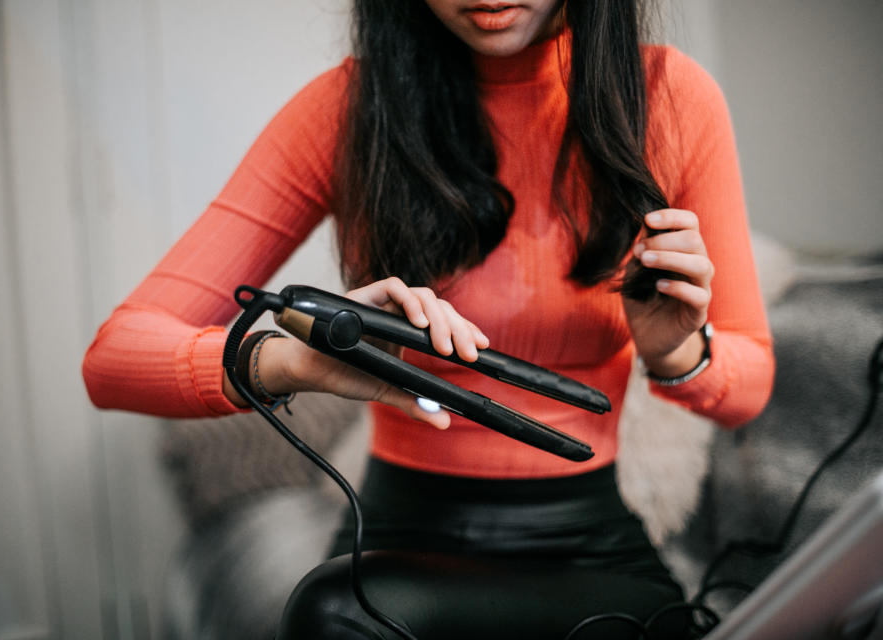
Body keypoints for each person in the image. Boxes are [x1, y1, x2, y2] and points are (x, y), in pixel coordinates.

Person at [82, 0, 774, 637]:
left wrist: (679, 352)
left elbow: (750, 382)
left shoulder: (671, 98)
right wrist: (292, 363)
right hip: (400, 537)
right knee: (335, 618)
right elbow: (114, 360)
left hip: (592, 540)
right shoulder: (350, 109)